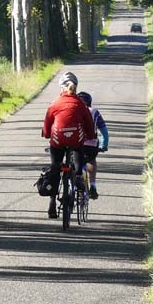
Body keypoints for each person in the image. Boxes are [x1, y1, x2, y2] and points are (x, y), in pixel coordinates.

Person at [41, 71, 96, 219]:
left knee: (55, 168)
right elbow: (89, 124)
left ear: (61, 88)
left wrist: (46, 134)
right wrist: (91, 136)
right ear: (76, 87)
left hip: (58, 140)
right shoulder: (80, 104)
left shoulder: (55, 103)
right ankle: (77, 177)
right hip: (76, 140)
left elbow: (47, 123)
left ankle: (52, 202)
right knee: (78, 157)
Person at [77, 91, 108, 199]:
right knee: (91, 160)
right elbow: (103, 130)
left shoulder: (73, 110)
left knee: (73, 161)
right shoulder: (94, 111)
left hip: (75, 142)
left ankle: (73, 183)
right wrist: (104, 145)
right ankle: (93, 186)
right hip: (91, 144)